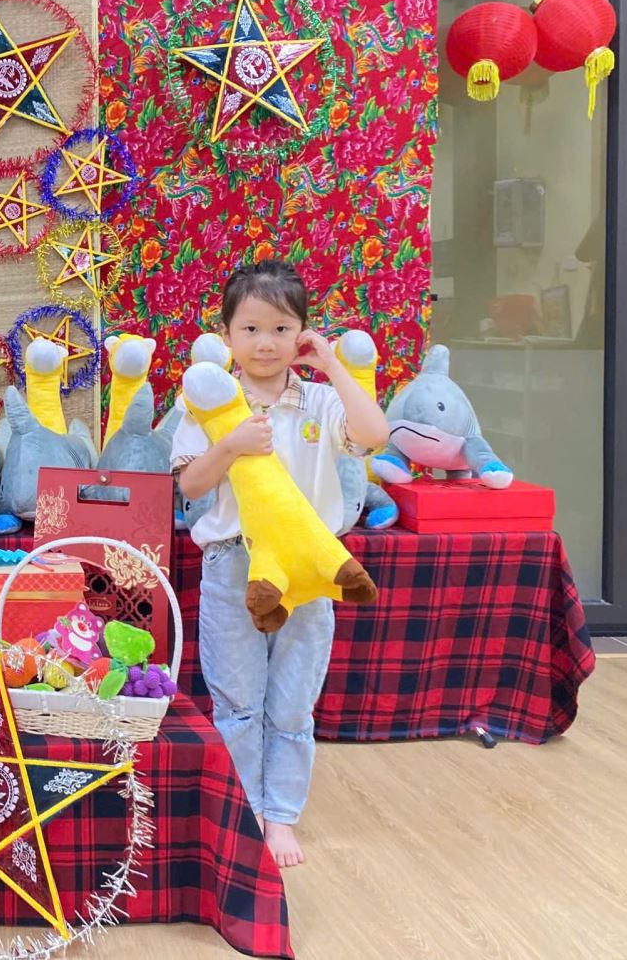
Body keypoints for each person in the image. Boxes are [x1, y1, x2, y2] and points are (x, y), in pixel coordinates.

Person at [171, 260, 389, 868]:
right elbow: (190, 486)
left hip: (308, 568)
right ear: (226, 334)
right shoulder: (209, 401)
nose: (265, 343)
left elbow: (374, 435)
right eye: (250, 329)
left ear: (302, 335)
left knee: (292, 702)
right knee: (238, 702)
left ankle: (281, 816)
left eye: (281, 328)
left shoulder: (319, 400)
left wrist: (334, 366)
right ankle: (246, 813)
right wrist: (231, 444)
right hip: (232, 563)